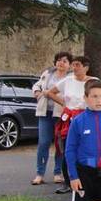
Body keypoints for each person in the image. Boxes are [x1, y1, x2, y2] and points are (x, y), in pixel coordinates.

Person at [48, 56, 98, 194]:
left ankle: (89, 179)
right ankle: (68, 182)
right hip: (69, 119)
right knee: (68, 150)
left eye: (77, 65)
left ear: (86, 67)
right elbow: (51, 92)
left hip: (87, 118)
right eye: (74, 65)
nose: (74, 68)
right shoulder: (68, 80)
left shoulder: (93, 82)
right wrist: (64, 104)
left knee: (88, 149)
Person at [31, 51, 71, 186]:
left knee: (60, 145)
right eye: (59, 60)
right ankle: (39, 174)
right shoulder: (48, 74)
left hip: (61, 115)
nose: (61, 63)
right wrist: (37, 92)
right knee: (43, 143)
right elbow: (37, 85)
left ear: (69, 65)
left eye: (65, 61)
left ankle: (57, 173)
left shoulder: (70, 79)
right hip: (44, 112)